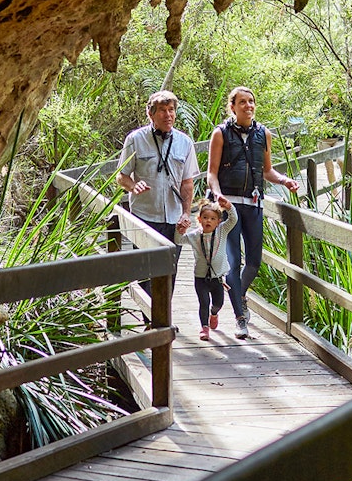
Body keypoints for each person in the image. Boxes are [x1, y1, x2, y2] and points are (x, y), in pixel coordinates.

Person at [206, 86, 300, 338]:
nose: (248, 106)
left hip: (254, 203)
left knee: (255, 262)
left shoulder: (263, 134)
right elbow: (211, 173)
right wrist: (217, 194)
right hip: (229, 207)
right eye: (242, 102)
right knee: (234, 262)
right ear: (232, 106)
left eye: (251, 101)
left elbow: (267, 170)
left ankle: (235, 294)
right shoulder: (221, 133)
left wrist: (284, 181)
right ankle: (240, 318)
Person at [116, 90, 198, 315]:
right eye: (162, 110)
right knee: (145, 270)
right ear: (151, 114)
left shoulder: (184, 142)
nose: (168, 114)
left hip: (174, 217)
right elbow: (121, 176)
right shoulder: (135, 139)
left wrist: (186, 213)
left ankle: (161, 317)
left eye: (171, 110)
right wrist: (133, 186)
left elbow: (187, 183)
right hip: (144, 215)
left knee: (170, 271)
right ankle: (150, 319)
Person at [177, 196, 236, 341]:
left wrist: (228, 206)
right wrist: (180, 230)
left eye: (212, 219)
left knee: (218, 303)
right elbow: (179, 240)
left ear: (218, 222)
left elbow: (233, 219)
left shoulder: (222, 231)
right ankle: (204, 328)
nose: (208, 221)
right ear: (199, 219)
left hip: (217, 277)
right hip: (200, 277)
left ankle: (214, 314)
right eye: (205, 217)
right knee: (203, 302)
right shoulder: (195, 236)